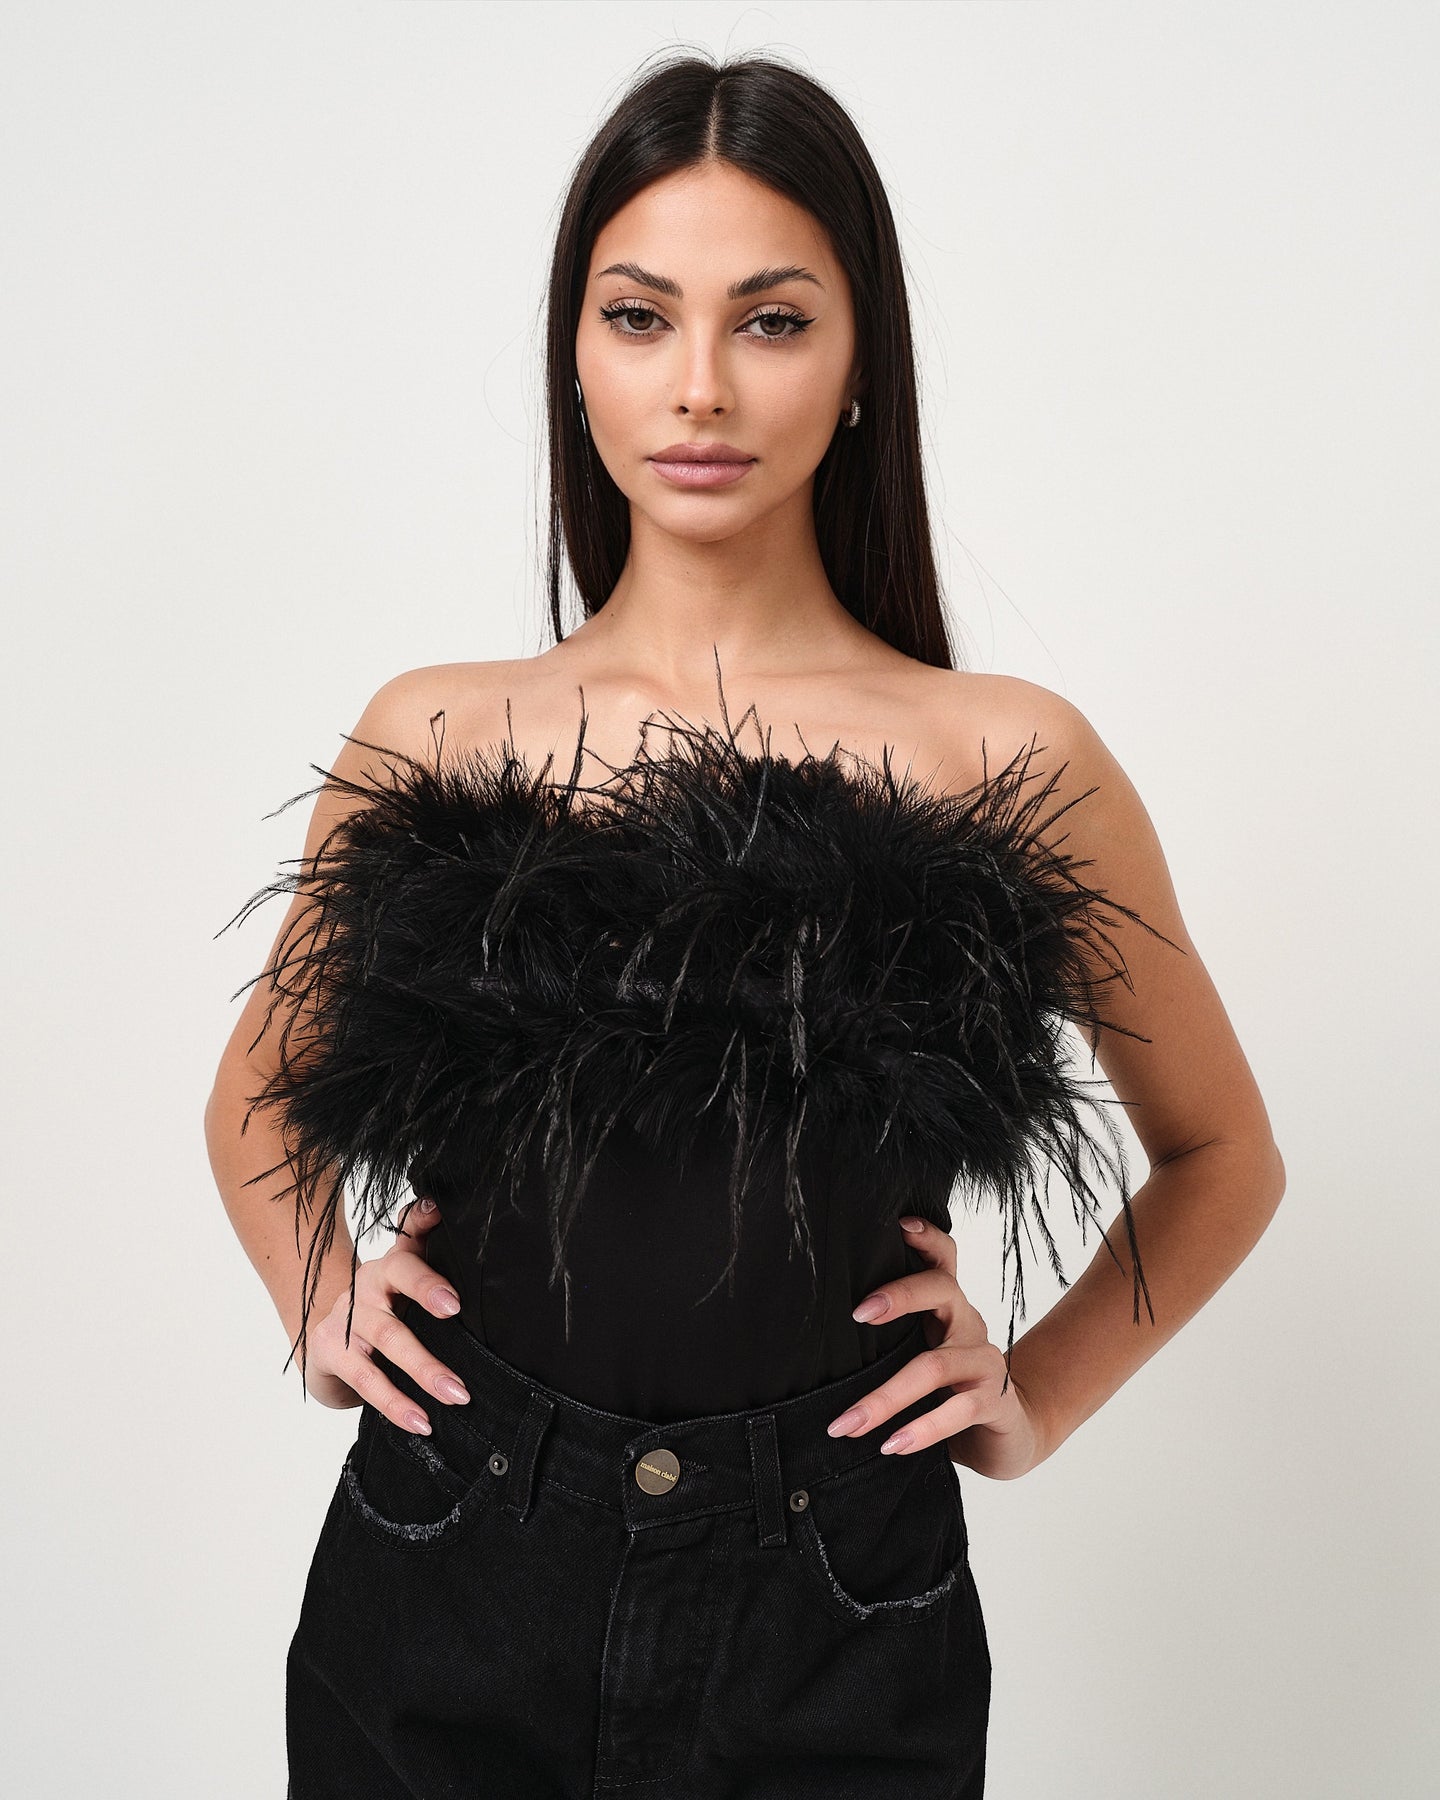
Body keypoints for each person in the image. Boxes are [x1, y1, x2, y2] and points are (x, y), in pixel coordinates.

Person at [206, 49, 1285, 1800]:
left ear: (861, 366)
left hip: (837, 1607)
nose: (699, 385)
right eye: (640, 317)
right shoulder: (438, 732)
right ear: (576, 354)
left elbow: (1222, 1152)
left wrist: (1035, 1401)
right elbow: (254, 1100)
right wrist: (321, 1293)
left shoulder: (1005, 758)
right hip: (451, 1572)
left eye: (771, 321)